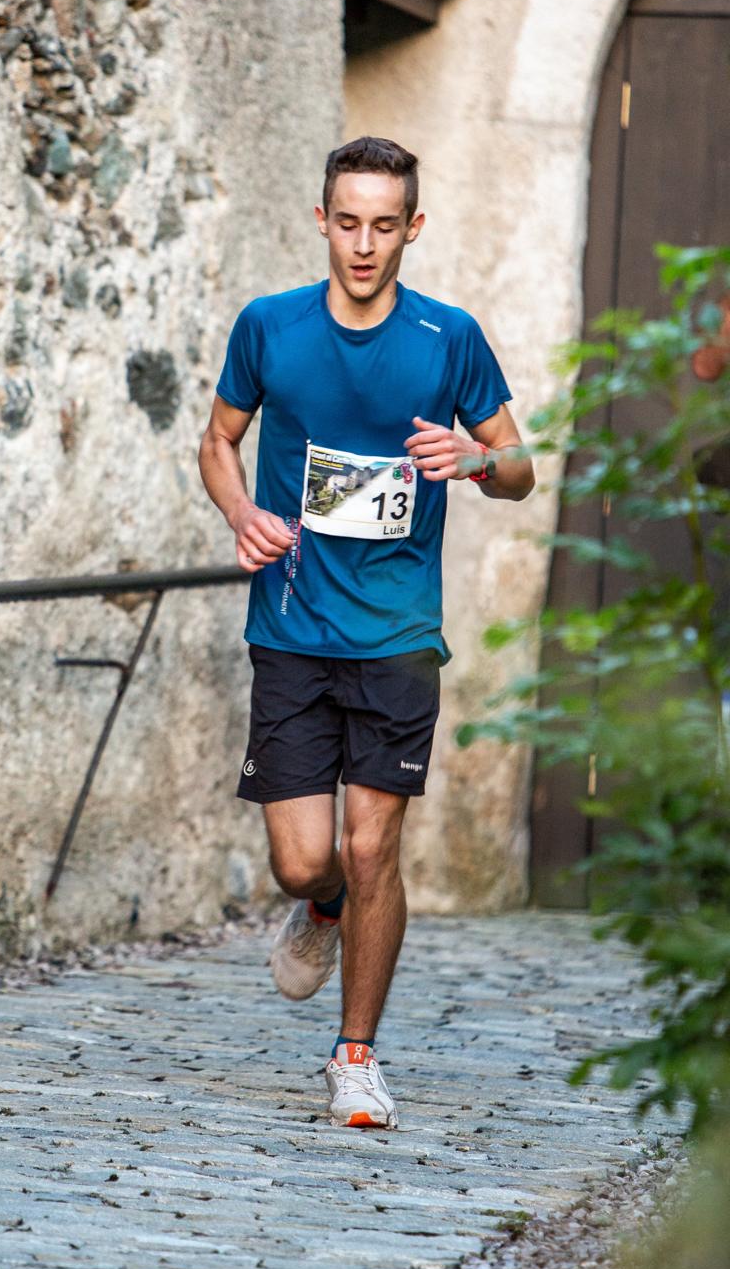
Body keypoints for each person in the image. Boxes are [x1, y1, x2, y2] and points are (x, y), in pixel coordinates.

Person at [198, 136, 535, 1129]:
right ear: (321, 220)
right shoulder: (270, 327)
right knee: (308, 858)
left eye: (385, 224)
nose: (364, 242)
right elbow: (219, 439)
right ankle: (321, 905)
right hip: (293, 621)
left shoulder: (447, 336)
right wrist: (239, 513)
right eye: (348, 220)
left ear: (411, 229)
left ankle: (354, 1059)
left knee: (373, 841)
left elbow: (522, 468)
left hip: (398, 632)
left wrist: (472, 458)